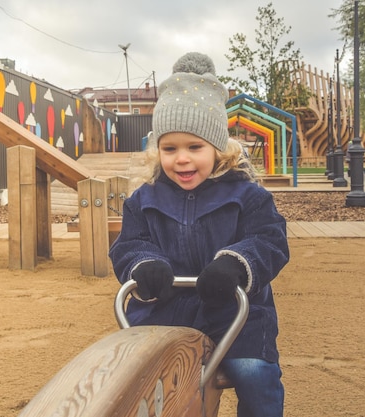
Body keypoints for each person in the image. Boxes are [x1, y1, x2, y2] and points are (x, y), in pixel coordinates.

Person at [109, 52, 290, 417]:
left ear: (217, 146)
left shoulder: (247, 195)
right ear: (156, 149)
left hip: (235, 313)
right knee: (135, 375)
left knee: (256, 374)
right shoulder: (144, 200)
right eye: (169, 148)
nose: (182, 159)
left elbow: (270, 239)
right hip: (165, 309)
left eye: (195, 147)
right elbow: (129, 244)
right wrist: (145, 265)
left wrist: (235, 265)